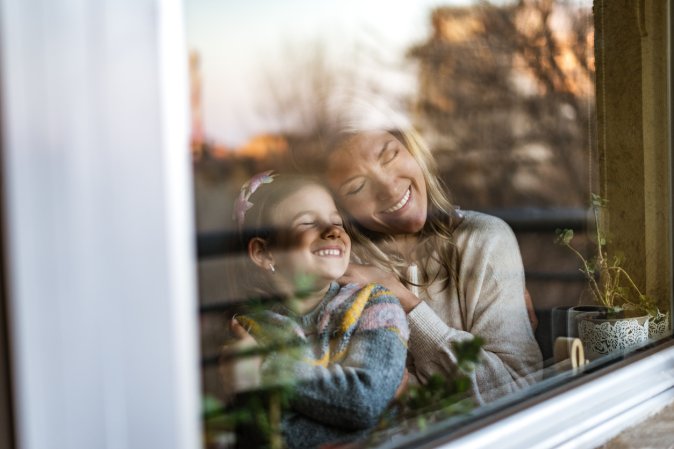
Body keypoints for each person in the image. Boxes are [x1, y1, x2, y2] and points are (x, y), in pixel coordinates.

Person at [318, 124, 543, 402]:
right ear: (342, 210)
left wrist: (405, 302)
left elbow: (515, 387)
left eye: (389, 156)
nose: (389, 188)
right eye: (358, 186)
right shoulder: (340, 271)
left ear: (413, 153)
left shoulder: (484, 239)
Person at [226, 171, 409, 449]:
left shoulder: (376, 305)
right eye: (307, 223)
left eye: (337, 222)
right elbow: (261, 437)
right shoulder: (250, 330)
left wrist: (269, 366)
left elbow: (365, 403)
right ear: (264, 253)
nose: (333, 231)